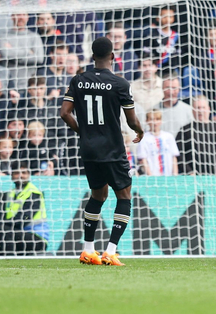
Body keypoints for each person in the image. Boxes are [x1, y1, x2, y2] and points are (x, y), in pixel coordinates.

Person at [59, 37, 143, 265]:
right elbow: (131, 119)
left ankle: (88, 250)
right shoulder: (120, 84)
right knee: (124, 196)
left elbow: (65, 113)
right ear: (113, 57)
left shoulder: (78, 80)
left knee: (98, 195)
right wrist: (140, 130)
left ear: (92, 57)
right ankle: (110, 251)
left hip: (89, 150)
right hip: (113, 149)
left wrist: (84, 132)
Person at [0, 164, 49, 255]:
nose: (20, 176)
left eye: (24, 173)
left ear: (29, 175)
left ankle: (10, 263)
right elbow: (1, 215)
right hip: (17, 234)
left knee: (3, 229)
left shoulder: (34, 193)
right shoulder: (10, 194)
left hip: (36, 238)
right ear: (12, 176)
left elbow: (23, 219)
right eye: (17, 173)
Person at [136, 109, 179, 175]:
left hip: (168, 175)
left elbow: (174, 157)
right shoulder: (144, 138)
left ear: (161, 121)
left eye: (157, 119)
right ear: (147, 121)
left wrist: (175, 174)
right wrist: (150, 176)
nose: (155, 122)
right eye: (152, 119)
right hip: (153, 176)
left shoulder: (168, 136)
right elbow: (143, 160)